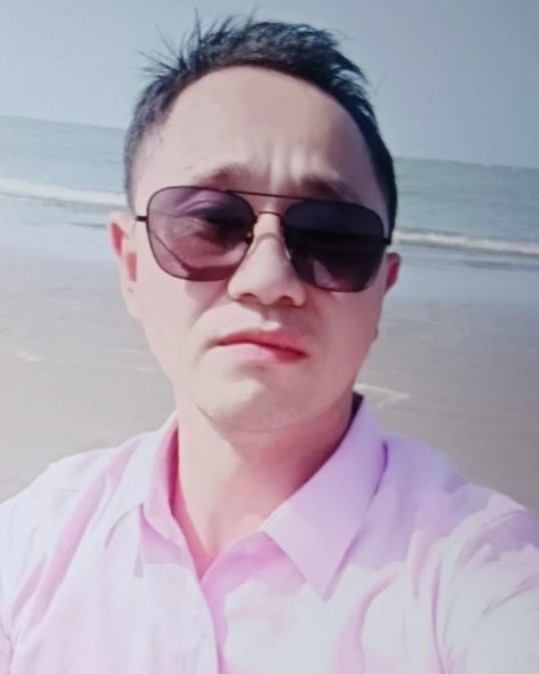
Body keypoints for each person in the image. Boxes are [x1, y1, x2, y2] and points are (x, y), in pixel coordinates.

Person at [0, 17, 538, 674]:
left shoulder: (475, 572)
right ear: (131, 265)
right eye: (210, 221)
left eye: (331, 236)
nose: (267, 278)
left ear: (382, 289)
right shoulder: (34, 542)